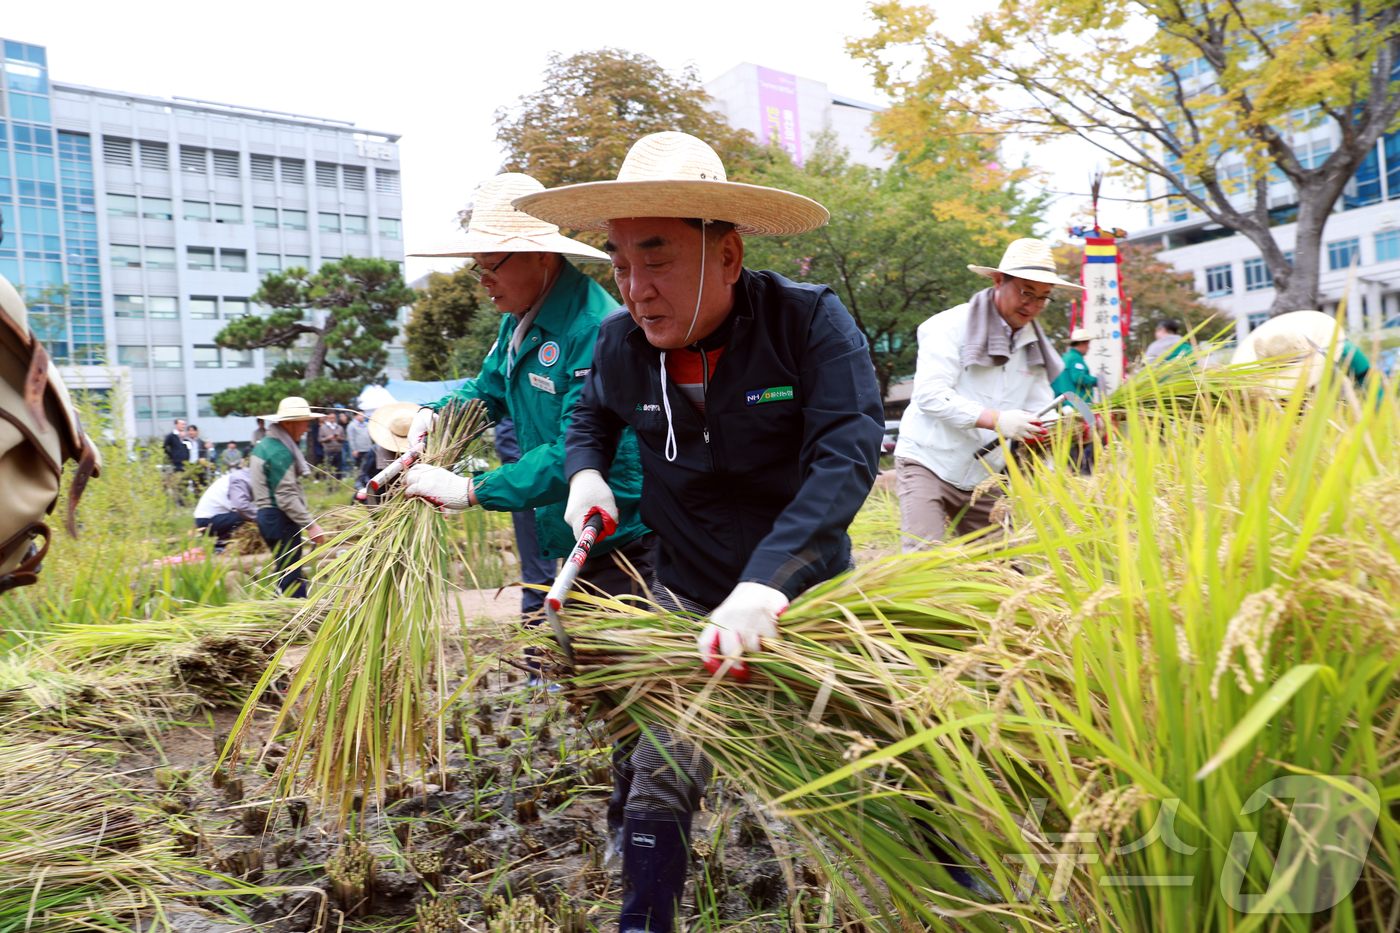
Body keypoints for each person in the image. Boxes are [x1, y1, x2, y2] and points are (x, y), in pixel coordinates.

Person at [517, 131, 884, 933]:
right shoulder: (619, 343)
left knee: (874, 764)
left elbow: (847, 456)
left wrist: (768, 581)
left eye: (658, 259)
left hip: (805, 597)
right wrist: (585, 473)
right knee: (659, 777)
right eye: (619, 263)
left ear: (728, 254)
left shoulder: (808, 325)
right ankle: (645, 920)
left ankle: (937, 895)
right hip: (684, 596)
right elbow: (589, 416)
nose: (636, 287)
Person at [395, 172, 652, 641]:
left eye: (492, 264)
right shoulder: (521, 318)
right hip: (574, 524)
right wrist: (436, 413)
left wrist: (474, 489)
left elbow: (577, 450)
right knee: (589, 665)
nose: (483, 281)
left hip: (621, 529)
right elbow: (489, 388)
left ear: (541, 254)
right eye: (478, 267)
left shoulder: (592, 328)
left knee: (619, 669)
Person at [892, 238, 1082, 552]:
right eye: (1025, 292)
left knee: (1006, 571)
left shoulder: (1033, 344)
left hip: (985, 473)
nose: (1032, 306)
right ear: (998, 280)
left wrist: (1069, 426)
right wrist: (996, 420)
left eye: (1043, 299)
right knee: (922, 561)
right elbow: (930, 395)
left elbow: (1038, 406)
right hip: (929, 460)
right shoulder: (949, 326)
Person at [248, 397, 327, 597]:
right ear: (289, 423)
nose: (306, 428)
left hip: (270, 518)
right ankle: (296, 616)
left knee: (287, 570)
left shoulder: (265, 445)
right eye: (304, 422)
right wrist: (311, 525)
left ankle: (284, 611)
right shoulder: (279, 452)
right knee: (291, 573)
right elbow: (285, 496)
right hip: (279, 518)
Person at [193, 467, 256, 552]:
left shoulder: (242, 477)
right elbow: (242, 508)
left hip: (214, 518)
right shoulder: (240, 480)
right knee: (246, 517)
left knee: (249, 515)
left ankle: (222, 544)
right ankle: (222, 544)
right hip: (207, 521)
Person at [1051, 327, 1099, 399]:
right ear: (1081, 343)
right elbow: (1078, 377)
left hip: (1065, 401)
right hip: (1075, 403)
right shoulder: (1075, 358)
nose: (1088, 348)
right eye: (1087, 344)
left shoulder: (1066, 356)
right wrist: (1095, 380)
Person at [347, 411, 373, 486]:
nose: (363, 416)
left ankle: (368, 483)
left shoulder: (367, 424)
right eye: (360, 415)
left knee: (369, 467)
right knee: (361, 468)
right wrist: (354, 449)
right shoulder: (351, 425)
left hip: (368, 449)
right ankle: (360, 484)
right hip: (359, 450)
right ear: (355, 416)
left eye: (363, 414)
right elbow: (351, 438)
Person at [319, 413, 346, 479]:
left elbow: (344, 439)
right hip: (328, 451)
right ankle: (329, 485)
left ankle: (339, 483)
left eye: (333, 418)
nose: (332, 420)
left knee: (339, 469)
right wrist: (328, 438)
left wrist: (339, 438)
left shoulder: (339, 427)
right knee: (329, 469)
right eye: (330, 418)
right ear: (327, 418)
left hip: (338, 450)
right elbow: (320, 439)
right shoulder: (323, 428)